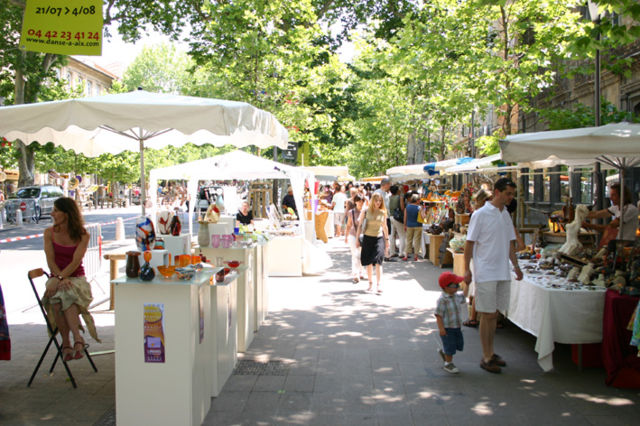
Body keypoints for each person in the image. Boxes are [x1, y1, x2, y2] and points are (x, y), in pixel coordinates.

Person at [463, 178, 522, 374]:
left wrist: (516, 266)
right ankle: (486, 355)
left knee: (494, 315)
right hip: (486, 270)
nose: (510, 198)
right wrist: (467, 269)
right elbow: (469, 244)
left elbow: (510, 244)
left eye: (512, 194)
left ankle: (490, 352)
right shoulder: (480, 215)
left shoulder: (505, 214)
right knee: (487, 315)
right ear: (497, 192)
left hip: (502, 271)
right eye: (508, 194)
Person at [42, 197, 100, 362]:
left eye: (55, 210)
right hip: (57, 277)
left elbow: (76, 261)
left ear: (66, 214)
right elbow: (50, 260)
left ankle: (69, 342)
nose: (52, 214)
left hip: (76, 277)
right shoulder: (49, 233)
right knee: (59, 296)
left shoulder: (83, 235)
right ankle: (75, 339)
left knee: (62, 296)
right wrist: (59, 278)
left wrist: (61, 278)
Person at [463, 189, 491, 329]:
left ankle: (475, 317)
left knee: (478, 287)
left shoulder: (488, 213)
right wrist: (466, 267)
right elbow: (470, 241)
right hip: (480, 256)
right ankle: (474, 317)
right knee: (478, 288)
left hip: (482, 256)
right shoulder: (478, 214)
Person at [355, 192, 390, 294]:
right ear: (372, 201)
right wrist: (357, 239)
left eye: (380, 201)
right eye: (376, 200)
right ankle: (370, 283)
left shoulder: (383, 212)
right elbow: (360, 225)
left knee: (379, 261)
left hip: (378, 238)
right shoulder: (365, 211)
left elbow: (385, 226)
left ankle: (379, 284)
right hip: (367, 238)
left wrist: (387, 240)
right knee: (369, 262)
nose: (378, 203)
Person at [436, 272, 468, 374]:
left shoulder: (456, 296)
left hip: (457, 326)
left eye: (458, 285)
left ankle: (445, 352)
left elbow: (464, 296)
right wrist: (441, 328)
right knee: (450, 347)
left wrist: (467, 284)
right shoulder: (442, 300)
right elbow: (438, 315)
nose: (458, 287)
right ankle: (448, 363)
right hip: (447, 327)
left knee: (457, 344)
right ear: (446, 287)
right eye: (455, 285)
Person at [344, 194, 366, 283]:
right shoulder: (351, 212)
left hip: (364, 235)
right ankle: (355, 273)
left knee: (362, 254)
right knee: (355, 255)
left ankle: (361, 271)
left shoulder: (366, 212)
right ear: (355, 202)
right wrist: (346, 236)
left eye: (362, 201)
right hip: (353, 235)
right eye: (358, 201)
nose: (360, 203)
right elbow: (349, 225)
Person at [374, 178, 392, 260]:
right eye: (389, 184)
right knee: (380, 235)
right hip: (379, 217)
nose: (390, 186)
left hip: (386, 216)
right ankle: (381, 254)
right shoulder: (377, 193)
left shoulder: (386, 193)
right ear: (385, 184)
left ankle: (386, 254)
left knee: (386, 235)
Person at [403, 193, 423, 261]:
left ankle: (406, 255)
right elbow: (423, 216)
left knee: (409, 240)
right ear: (417, 200)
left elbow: (405, 217)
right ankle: (415, 256)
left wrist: (405, 225)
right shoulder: (419, 207)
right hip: (418, 225)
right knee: (417, 241)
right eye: (419, 199)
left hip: (409, 225)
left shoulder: (407, 207)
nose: (420, 201)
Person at [388, 185, 406, 258]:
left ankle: (392, 252)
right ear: (397, 191)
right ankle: (401, 253)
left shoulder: (389, 197)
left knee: (392, 235)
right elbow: (402, 207)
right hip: (397, 217)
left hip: (391, 216)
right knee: (402, 235)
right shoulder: (399, 197)